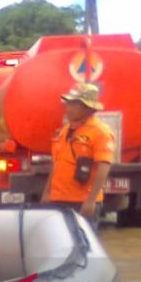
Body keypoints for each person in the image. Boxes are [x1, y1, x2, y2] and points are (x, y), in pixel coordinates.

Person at [40, 82, 116, 227]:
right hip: (58, 200)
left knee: (82, 246)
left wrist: (91, 200)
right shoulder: (64, 131)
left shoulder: (100, 132)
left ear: (88, 108)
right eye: (68, 104)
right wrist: (47, 192)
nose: (68, 108)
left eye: (74, 105)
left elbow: (103, 167)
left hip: (81, 202)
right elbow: (56, 164)